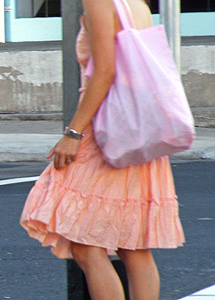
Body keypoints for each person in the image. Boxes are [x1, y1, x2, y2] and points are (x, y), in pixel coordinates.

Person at [20, 0, 184, 299]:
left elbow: (104, 72)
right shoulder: (138, 4)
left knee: (85, 245)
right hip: (135, 129)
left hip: (105, 129)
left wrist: (73, 132)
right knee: (133, 247)